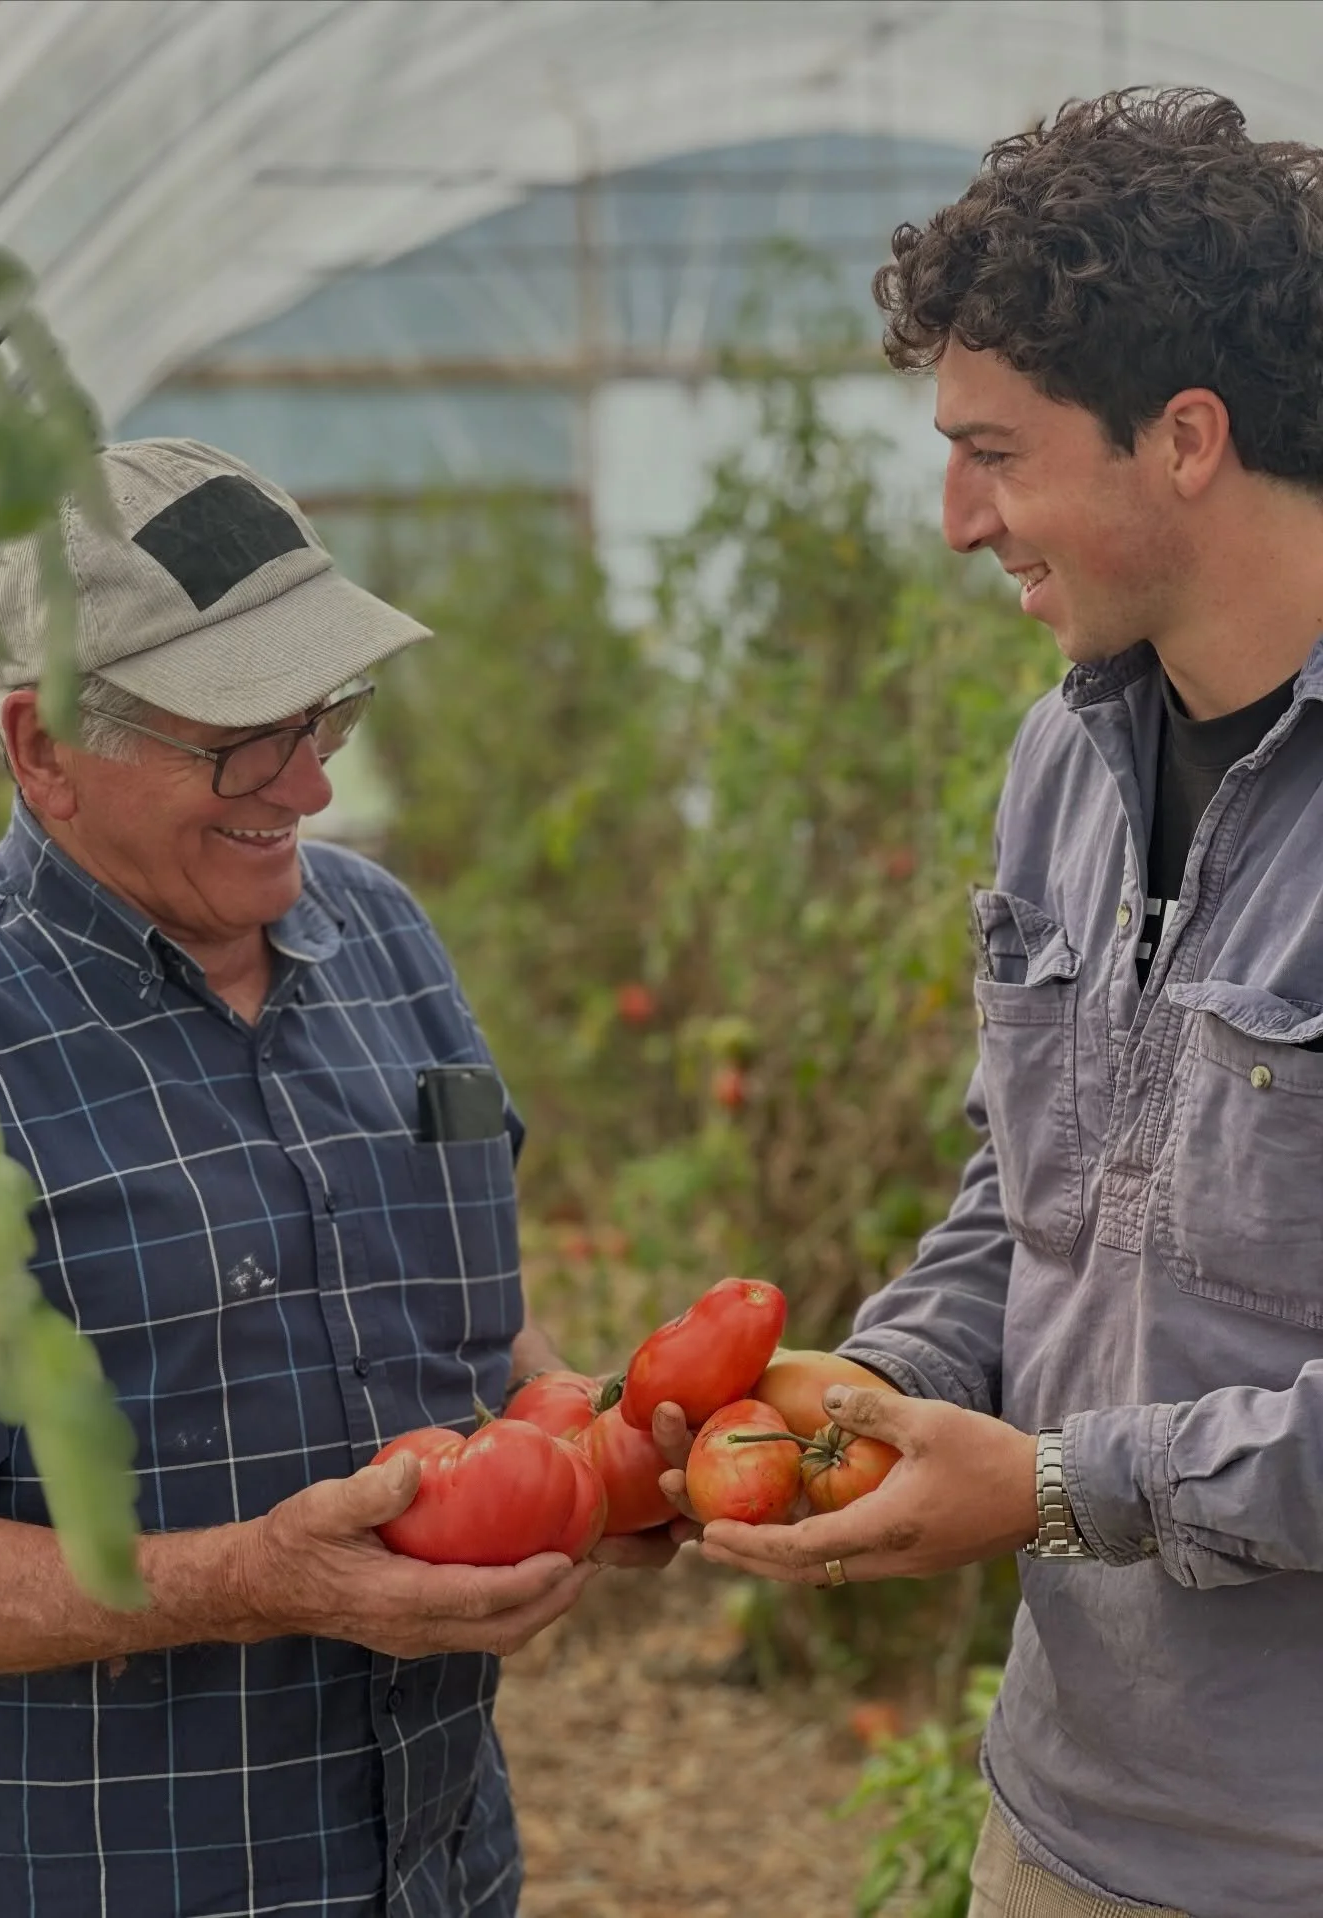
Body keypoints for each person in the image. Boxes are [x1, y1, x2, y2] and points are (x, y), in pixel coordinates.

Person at [0, 437, 672, 1918]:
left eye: (326, 716)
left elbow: (460, 1321)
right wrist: (244, 1577)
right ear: (42, 745)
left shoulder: (378, 936)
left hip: (437, 1869)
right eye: (243, 738)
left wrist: (592, 1448)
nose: (309, 781)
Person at [689, 90, 1323, 1918]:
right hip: (1066, 1821)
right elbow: (1031, 1192)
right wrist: (877, 1387)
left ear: (1185, 437)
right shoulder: (1068, 755)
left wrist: (1051, 1482)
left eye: (996, 451)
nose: (959, 517)